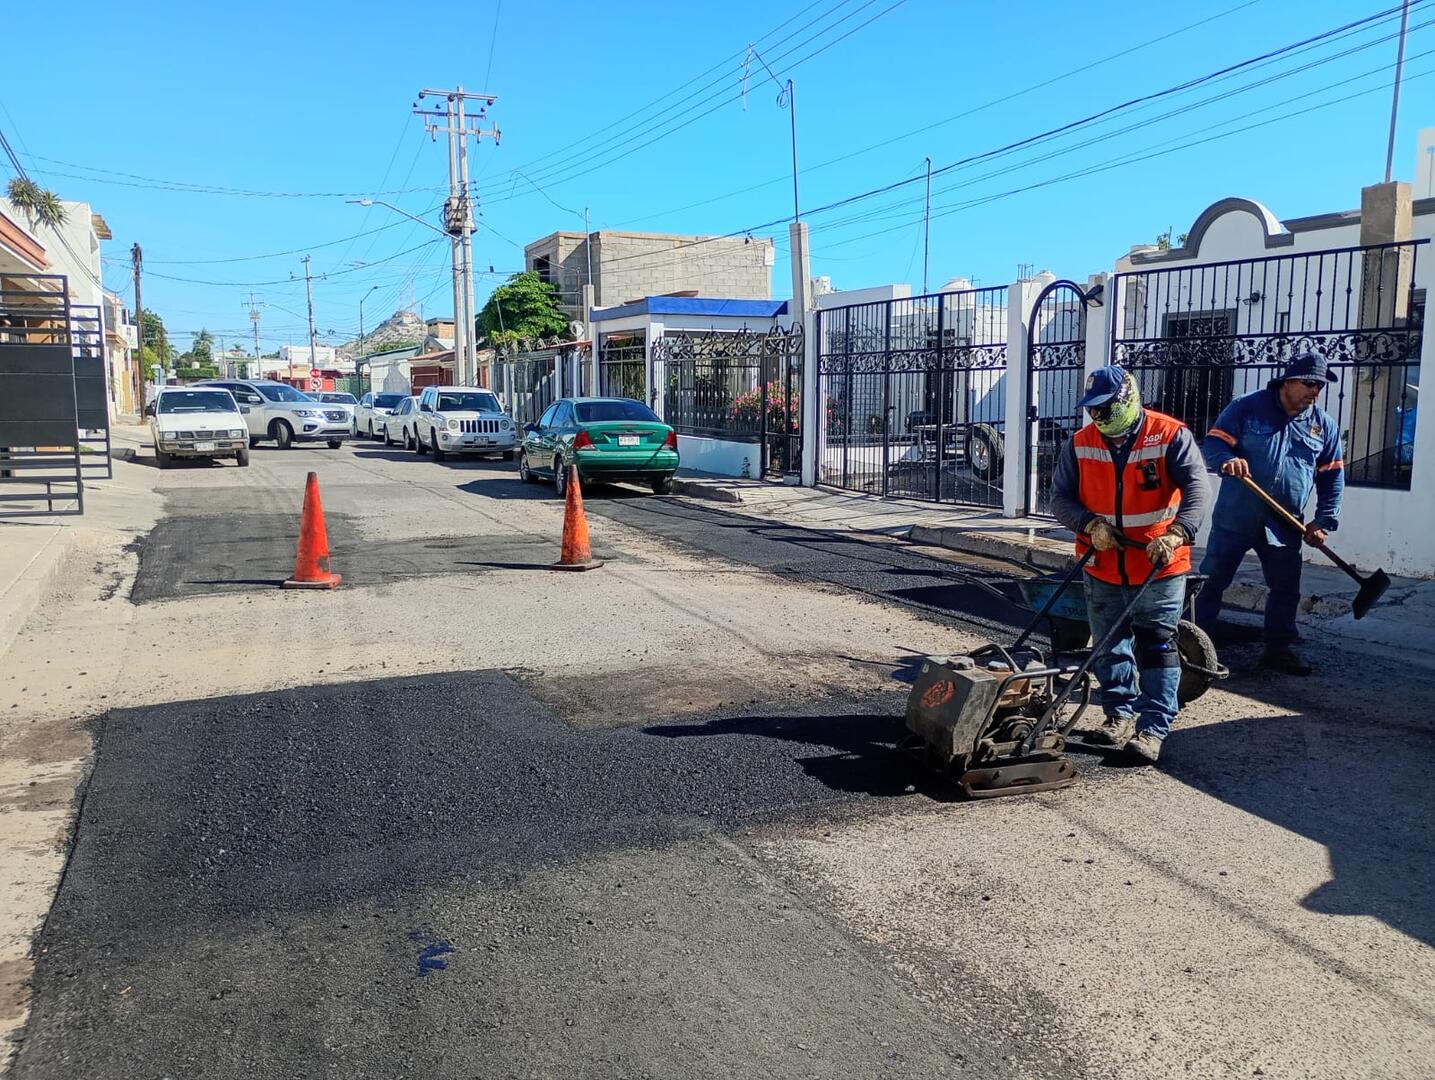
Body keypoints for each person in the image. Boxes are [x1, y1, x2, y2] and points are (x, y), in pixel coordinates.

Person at [1051, 365, 1210, 763]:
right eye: (1092, 410)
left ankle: (1153, 726)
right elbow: (1060, 498)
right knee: (1108, 645)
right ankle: (1117, 714)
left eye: (1105, 409)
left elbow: (1197, 489)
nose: (1098, 418)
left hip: (1158, 564)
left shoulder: (1170, 435)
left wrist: (1177, 533)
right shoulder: (1081, 444)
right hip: (1103, 563)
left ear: (1127, 399)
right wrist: (1089, 524)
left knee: (1156, 646)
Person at [1195, 351, 1344, 676]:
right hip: (1237, 516)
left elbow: (1332, 476)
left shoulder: (1323, 425)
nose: (1314, 391)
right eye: (1308, 383)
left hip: (1284, 522)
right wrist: (1226, 461)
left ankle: (1278, 648)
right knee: (1212, 581)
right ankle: (1193, 646)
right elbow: (1213, 444)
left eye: (1319, 386)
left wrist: (1323, 520)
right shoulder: (1247, 407)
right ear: (1287, 381)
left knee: (1286, 587)